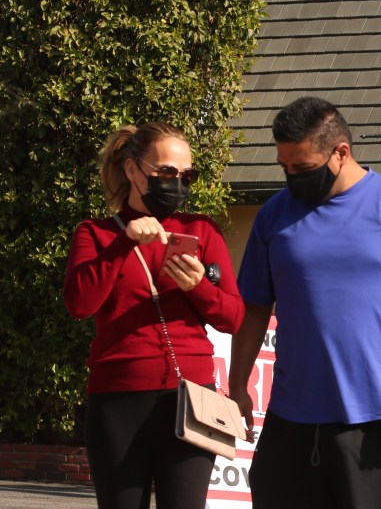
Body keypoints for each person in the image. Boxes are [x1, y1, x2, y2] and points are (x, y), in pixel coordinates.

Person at [230, 97, 381, 509]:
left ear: (341, 152)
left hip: (376, 418)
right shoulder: (272, 216)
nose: (291, 178)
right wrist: (237, 385)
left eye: (301, 168)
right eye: (284, 167)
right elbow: (253, 309)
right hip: (290, 417)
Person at [64, 123, 246, 509]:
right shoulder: (95, 234)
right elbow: (80, 304)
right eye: (166, 172)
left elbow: (233, 318)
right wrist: (124, 242)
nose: (176, 183)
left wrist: (197, 285)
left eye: (186, 175)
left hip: (191, 399)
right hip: (118, 399)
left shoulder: (201, 230)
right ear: (132, 169)